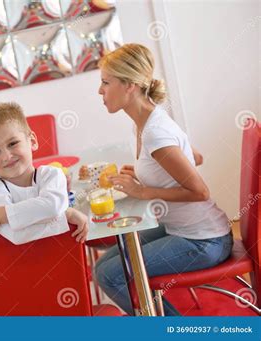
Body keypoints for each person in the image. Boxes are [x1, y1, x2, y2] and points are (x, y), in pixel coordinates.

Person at [94, 44, 233, 315]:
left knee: (111, 275)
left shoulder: (155, 132)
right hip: (184, 230)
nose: (100, 91)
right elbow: (197, 157)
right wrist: (145, 173)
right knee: (102, 268)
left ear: (130, 85)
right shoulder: (145, 120)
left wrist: (144, 190)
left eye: (105, 82)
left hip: (204, 241)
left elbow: (200, 192)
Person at [0, 102, 88, 244]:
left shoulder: (53, 175)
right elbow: (18, 237)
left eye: (12, 143)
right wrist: (65, 215)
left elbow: (52, 206)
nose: (7, 156)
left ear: (32, 141)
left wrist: (1, 214)